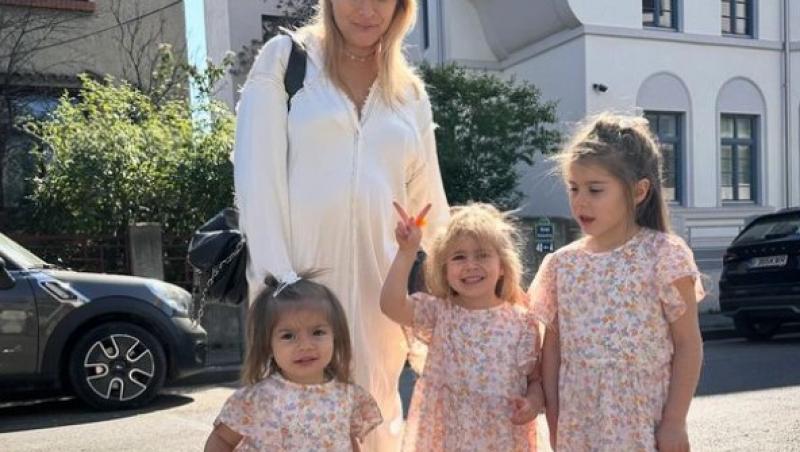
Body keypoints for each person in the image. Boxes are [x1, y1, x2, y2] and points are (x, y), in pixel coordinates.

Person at [232, 0, 449, 450]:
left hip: (379, 297)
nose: (367, 10)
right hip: (297, 290)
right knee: (294, 424)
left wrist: (453, 291)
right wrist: (281, 289)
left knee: (377, 421)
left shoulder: (409, 92)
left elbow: (429, 204)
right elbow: (257, 182)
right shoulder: (286, 61)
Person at [529, 113, 705, 452]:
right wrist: (555, 422)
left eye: (595, 190)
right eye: (574, 188)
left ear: (639, 191)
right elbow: (551, 354)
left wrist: (674, 422)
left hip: (644, 426)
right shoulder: (561, 265)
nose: (580, 201)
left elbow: (688, 345)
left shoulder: (664, 255)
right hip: (579, 429)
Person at [380, 202, 542, 451]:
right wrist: (407, 251)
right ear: (444, 271)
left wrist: (531, 404)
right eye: (458, 257)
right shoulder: (438, 313)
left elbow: (535, 381)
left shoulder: (523, 323)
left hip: (502, 438)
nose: (470, 265)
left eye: (482, 255)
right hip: (447, 439)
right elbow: (391, 305)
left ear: (502, 266)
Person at [205, 271, 382, 451]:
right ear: (268, 345)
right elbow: (222, 439)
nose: (305, 346)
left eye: (317, 332)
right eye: (288, 336)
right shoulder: (258, 399)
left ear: (335, 336)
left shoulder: (348, 396)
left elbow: (350, 441)